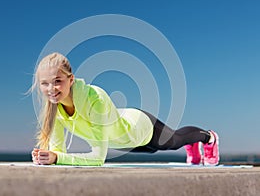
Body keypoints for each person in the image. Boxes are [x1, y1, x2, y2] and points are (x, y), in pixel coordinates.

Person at [31, 52, 219, 166]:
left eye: (57, 81)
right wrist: (48, 157)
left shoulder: (95, 98)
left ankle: (208, 138)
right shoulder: (54, 110)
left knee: (172, 141)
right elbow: (58, 152)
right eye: (44, 84)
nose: (51, 89)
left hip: (139, 127)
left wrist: (57, 158)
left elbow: (97, 159)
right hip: (121, 141)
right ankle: (192, 145)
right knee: (151, 150)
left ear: (71, 79)